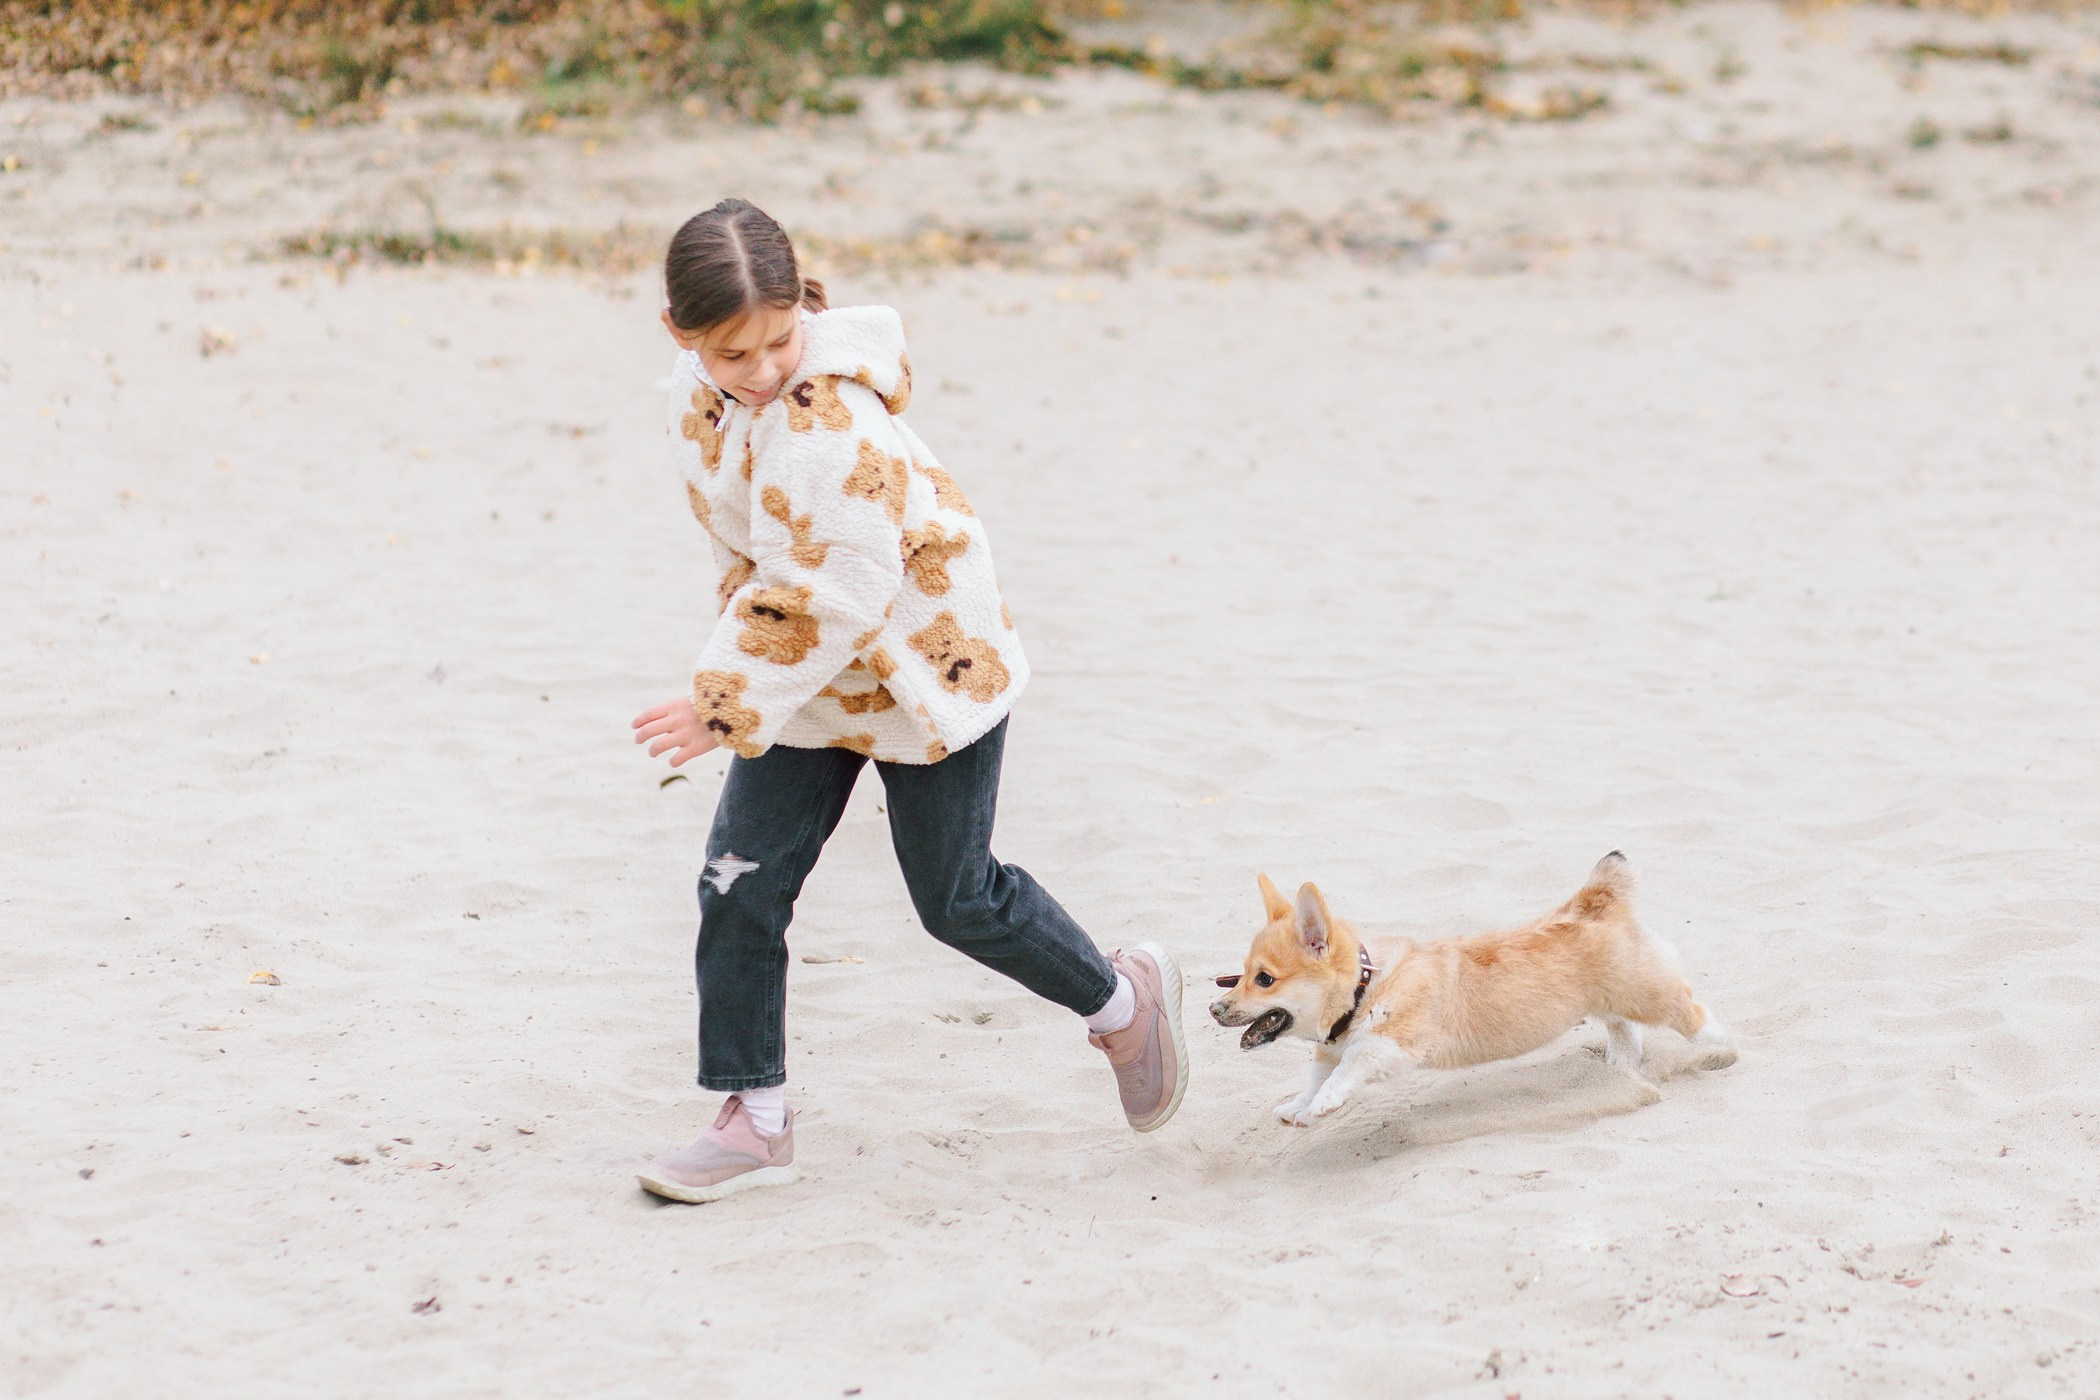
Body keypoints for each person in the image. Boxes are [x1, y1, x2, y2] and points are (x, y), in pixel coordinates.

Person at [629, 198, 1187, 1203]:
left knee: (957, 899)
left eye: (780, 341)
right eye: (732, 353)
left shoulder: (832, 428)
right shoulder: (698, 391)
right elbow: (762, 556)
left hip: (927, 667)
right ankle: (754, 1117)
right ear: (681, 335)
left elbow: (834, 590)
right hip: (804, 672)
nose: (762, 370)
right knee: (738, 879)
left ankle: (1121, 1001)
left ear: (807, 304)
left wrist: (720, 700)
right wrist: (752, 677)